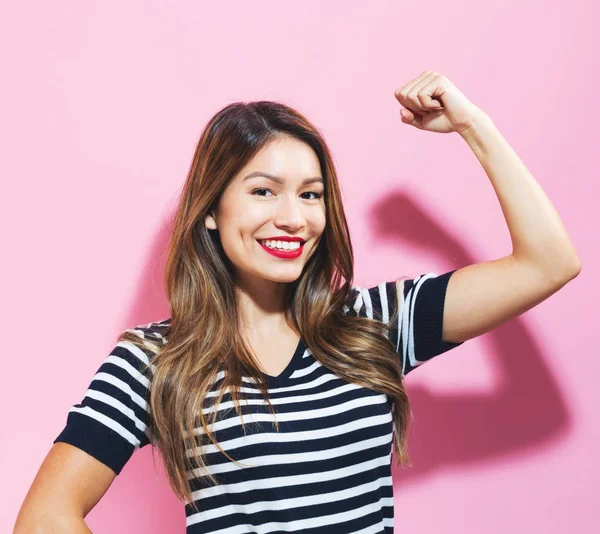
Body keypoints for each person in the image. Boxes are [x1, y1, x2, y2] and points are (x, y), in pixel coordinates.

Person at [14, 71, 580, 534]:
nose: (293, 217)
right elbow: (43, 518)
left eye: (311, 195)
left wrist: (471, 125)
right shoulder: (154, 359)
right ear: (212, 210)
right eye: (263, 191)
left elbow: (549, 262)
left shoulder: (372, 325)